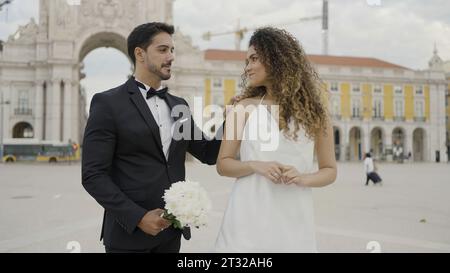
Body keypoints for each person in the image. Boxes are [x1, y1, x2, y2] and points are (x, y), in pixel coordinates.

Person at [82, 22, 222, 253]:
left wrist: (234, 119)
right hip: (127, 236)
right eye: (163, 49)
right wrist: (138, 217)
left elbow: (208, 153)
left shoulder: (180, 106)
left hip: (171, 234)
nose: (171, 57)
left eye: (172, 50)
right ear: (140, 53)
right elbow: (93, 175)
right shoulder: (108, 103)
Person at [214, 27, 337, 253]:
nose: (248, 67)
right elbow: (223, 164)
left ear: (276, 58)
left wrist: (303, 178)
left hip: (294, 214)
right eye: (246, 61)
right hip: (247, 212)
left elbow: (329, 170)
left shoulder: (316, 114)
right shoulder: (243, 108)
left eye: (254, 59)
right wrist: (254, 165)